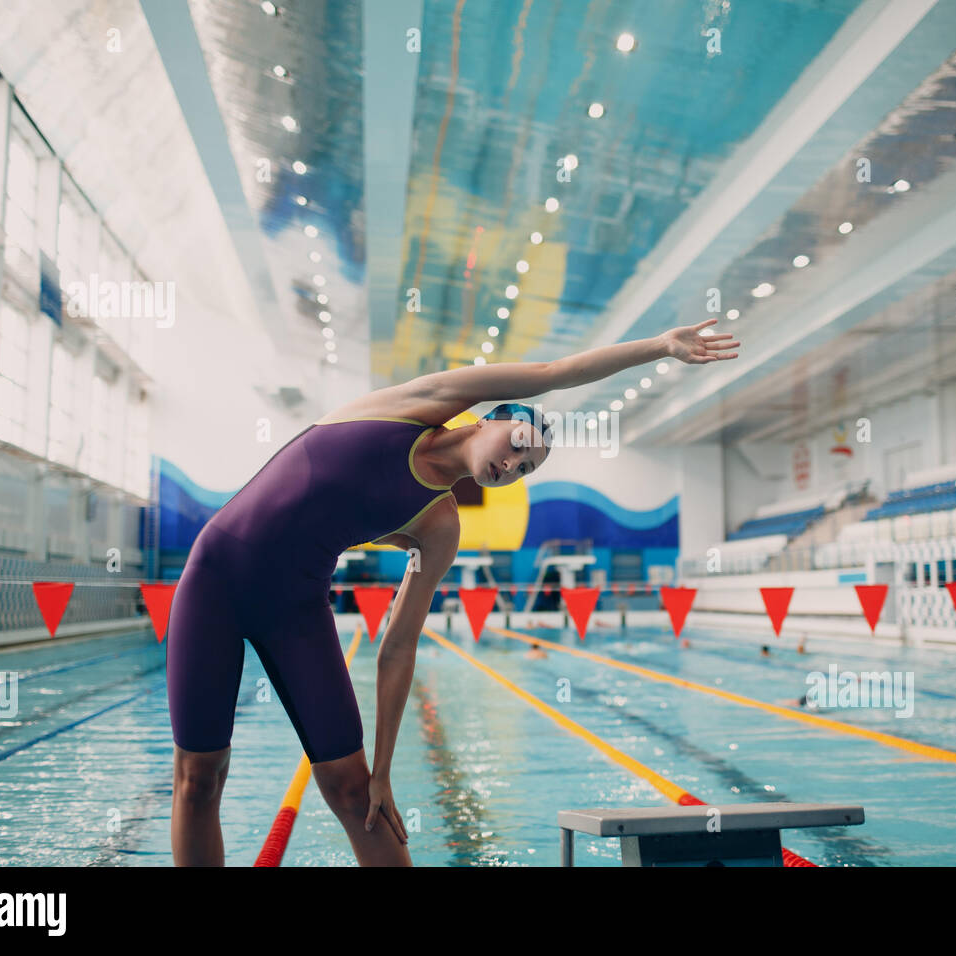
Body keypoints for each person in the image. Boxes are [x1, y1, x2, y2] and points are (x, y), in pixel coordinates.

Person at [165, 319, 739, 866]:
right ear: (489, 419)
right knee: (200, 775)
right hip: (215, 576)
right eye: (517, 445)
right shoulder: (416, 405)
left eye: (526, 469)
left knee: (353, 790)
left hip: (295, 609)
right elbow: (555, 370)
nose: (512, 465)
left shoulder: (439, 528)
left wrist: (385, 768)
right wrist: (661, 346)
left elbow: (398, 645)